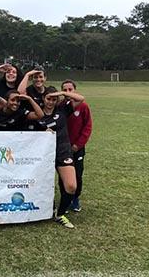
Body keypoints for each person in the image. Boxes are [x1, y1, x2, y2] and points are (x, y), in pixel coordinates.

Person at [37, 86, 85, 228]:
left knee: (71, 186)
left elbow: (81, 99)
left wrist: (63, 93)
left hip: (63, 151)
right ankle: (43, 210)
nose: (51, 102)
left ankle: (60, 214)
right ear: (43, 99)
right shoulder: (37, 114)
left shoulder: (63, 109)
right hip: (43, 154)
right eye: (48, 99)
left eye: (53, 99)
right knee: (41, 185)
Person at [61, 79, 93, 212]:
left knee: (78, 175)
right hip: (63, 148)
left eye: (70, 89)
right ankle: (65, 199)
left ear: (75, 90)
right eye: (65, 90)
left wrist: (78, 145)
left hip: (77, 148)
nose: (68, 92)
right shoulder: (61, 106)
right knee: (64, 174)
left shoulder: (83, 106)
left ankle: (75, 198)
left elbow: (87, 127)